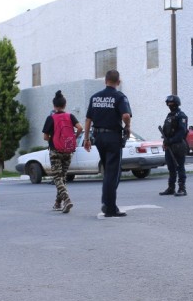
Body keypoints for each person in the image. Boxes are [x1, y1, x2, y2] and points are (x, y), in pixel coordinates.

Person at [83, 69, 132, 217]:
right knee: (113, 173)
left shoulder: (95, 97)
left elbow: (88, 120)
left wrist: (86, 139)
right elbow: (125, 115)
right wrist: (127, 127)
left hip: (98, 137)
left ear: (105, 81)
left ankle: (107, 203)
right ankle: (110, 208)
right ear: (118, 82)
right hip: (112, 138)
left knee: (107, 171)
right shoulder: (119, 97)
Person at [42, 91, 83, 213]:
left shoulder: (51, 118)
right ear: (65, 105)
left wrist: (53, 140)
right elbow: (80, 128)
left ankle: (67, 200)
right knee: (62, 177)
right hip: (68, 150)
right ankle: (57, 203)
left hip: (55, 150)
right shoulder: (70, 116)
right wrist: (74, 138)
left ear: (54, 106)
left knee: (57, 177)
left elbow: (45, 137)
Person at [159, 94, 189, 197]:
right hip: (169, 146)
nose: (170, 105)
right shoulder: (169, 116)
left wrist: (171, 141)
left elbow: (182, 132)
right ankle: (171, 187)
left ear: (176, 104)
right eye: (169, 103)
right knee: (171, 168)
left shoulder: (181, 116)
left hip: (178, 146)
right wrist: (165, 142)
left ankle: (182, 188)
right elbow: (165, 131)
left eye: (172, 103)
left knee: (179, 167)